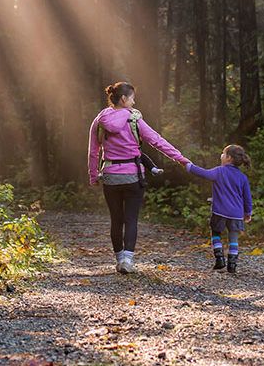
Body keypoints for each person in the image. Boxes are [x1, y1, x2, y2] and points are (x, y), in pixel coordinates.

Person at [88, 82, 190, 274]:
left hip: (110, 176)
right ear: (124, 99)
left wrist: (93, 175)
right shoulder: (134, 119)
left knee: (116, 220)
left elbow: (93, 151)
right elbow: (157, 141)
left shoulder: (100, 120)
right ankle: (128, 260)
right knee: (131, 219)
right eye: (133, 98)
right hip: (133, 176)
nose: (134, 102)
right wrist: (180, 159)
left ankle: (119, 260)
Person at [185, 144, 252, 274]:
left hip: (220, 211)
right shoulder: (243, 177)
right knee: (233, 237)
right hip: (236, 214)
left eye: (223, 153)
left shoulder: (219, 171)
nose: (221, 155)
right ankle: (232, 264)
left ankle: (220, 258)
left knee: (216, 233)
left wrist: (189, 166)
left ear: (228, 158)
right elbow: (247, 197)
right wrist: (248, 212)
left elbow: (204, 173)